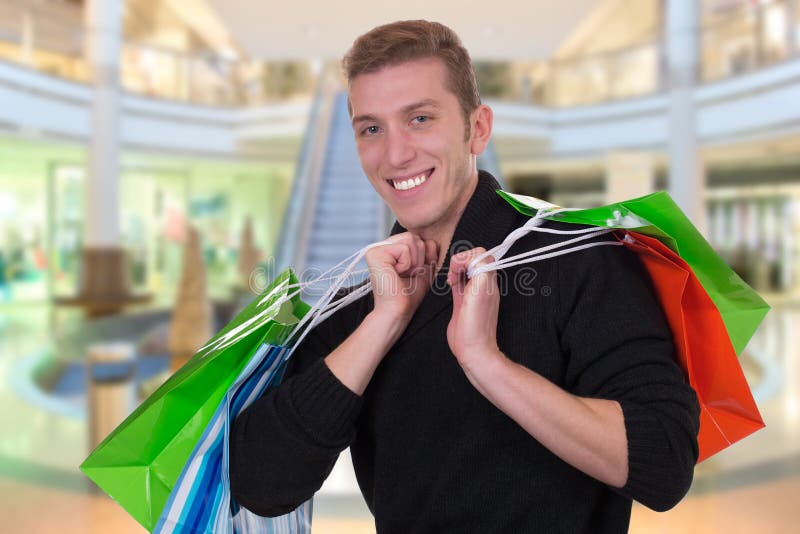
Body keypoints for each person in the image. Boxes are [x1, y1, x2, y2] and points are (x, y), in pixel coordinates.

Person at [230, 20, 700, 533]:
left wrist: (485, 362)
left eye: (420, 119)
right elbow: (260, 485)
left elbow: (664, 465)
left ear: (477, 128)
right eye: (371, 129)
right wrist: (383, 323)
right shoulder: (362, 308)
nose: (395, 154)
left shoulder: (582, 257)